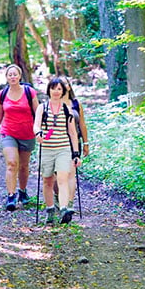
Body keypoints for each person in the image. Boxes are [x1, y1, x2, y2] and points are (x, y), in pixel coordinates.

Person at [0, 64, 39, 211]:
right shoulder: (3, 94)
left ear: (20, 76)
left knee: (23, 166)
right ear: (7, 77)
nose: (13, 77)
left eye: (15, 74)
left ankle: (22, 191)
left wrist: (42, 132)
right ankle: (11, 196)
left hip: (28, 133)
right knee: (12, 163)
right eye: (10, 75)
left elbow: (39, 113)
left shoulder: (30, 92)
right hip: (8, 133)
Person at [34, 77, 81, 224]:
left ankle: (64, 208)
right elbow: (36, 125)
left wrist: (76, 153)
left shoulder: (67, 109)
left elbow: (73, 133)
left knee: (62, 178)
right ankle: (50, 210)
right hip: (46, 149)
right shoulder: (42, 107)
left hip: (63, 149)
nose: (56, 91)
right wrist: (38, 133)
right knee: (48, 181)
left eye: (59, 89)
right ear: (49, 90)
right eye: (53, 88)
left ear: (63, 91)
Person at [57, 78, 90, 211]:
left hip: (73, 142)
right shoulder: (52, 104)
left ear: (69, 87)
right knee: (57, 175)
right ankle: (57, 198)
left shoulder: (76, 103)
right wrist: (44, 139)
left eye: (65, 84)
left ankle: (69, 205)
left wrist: (86, 143)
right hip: (56, 141)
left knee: (70, 173)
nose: (63, 87)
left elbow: (82, 124)